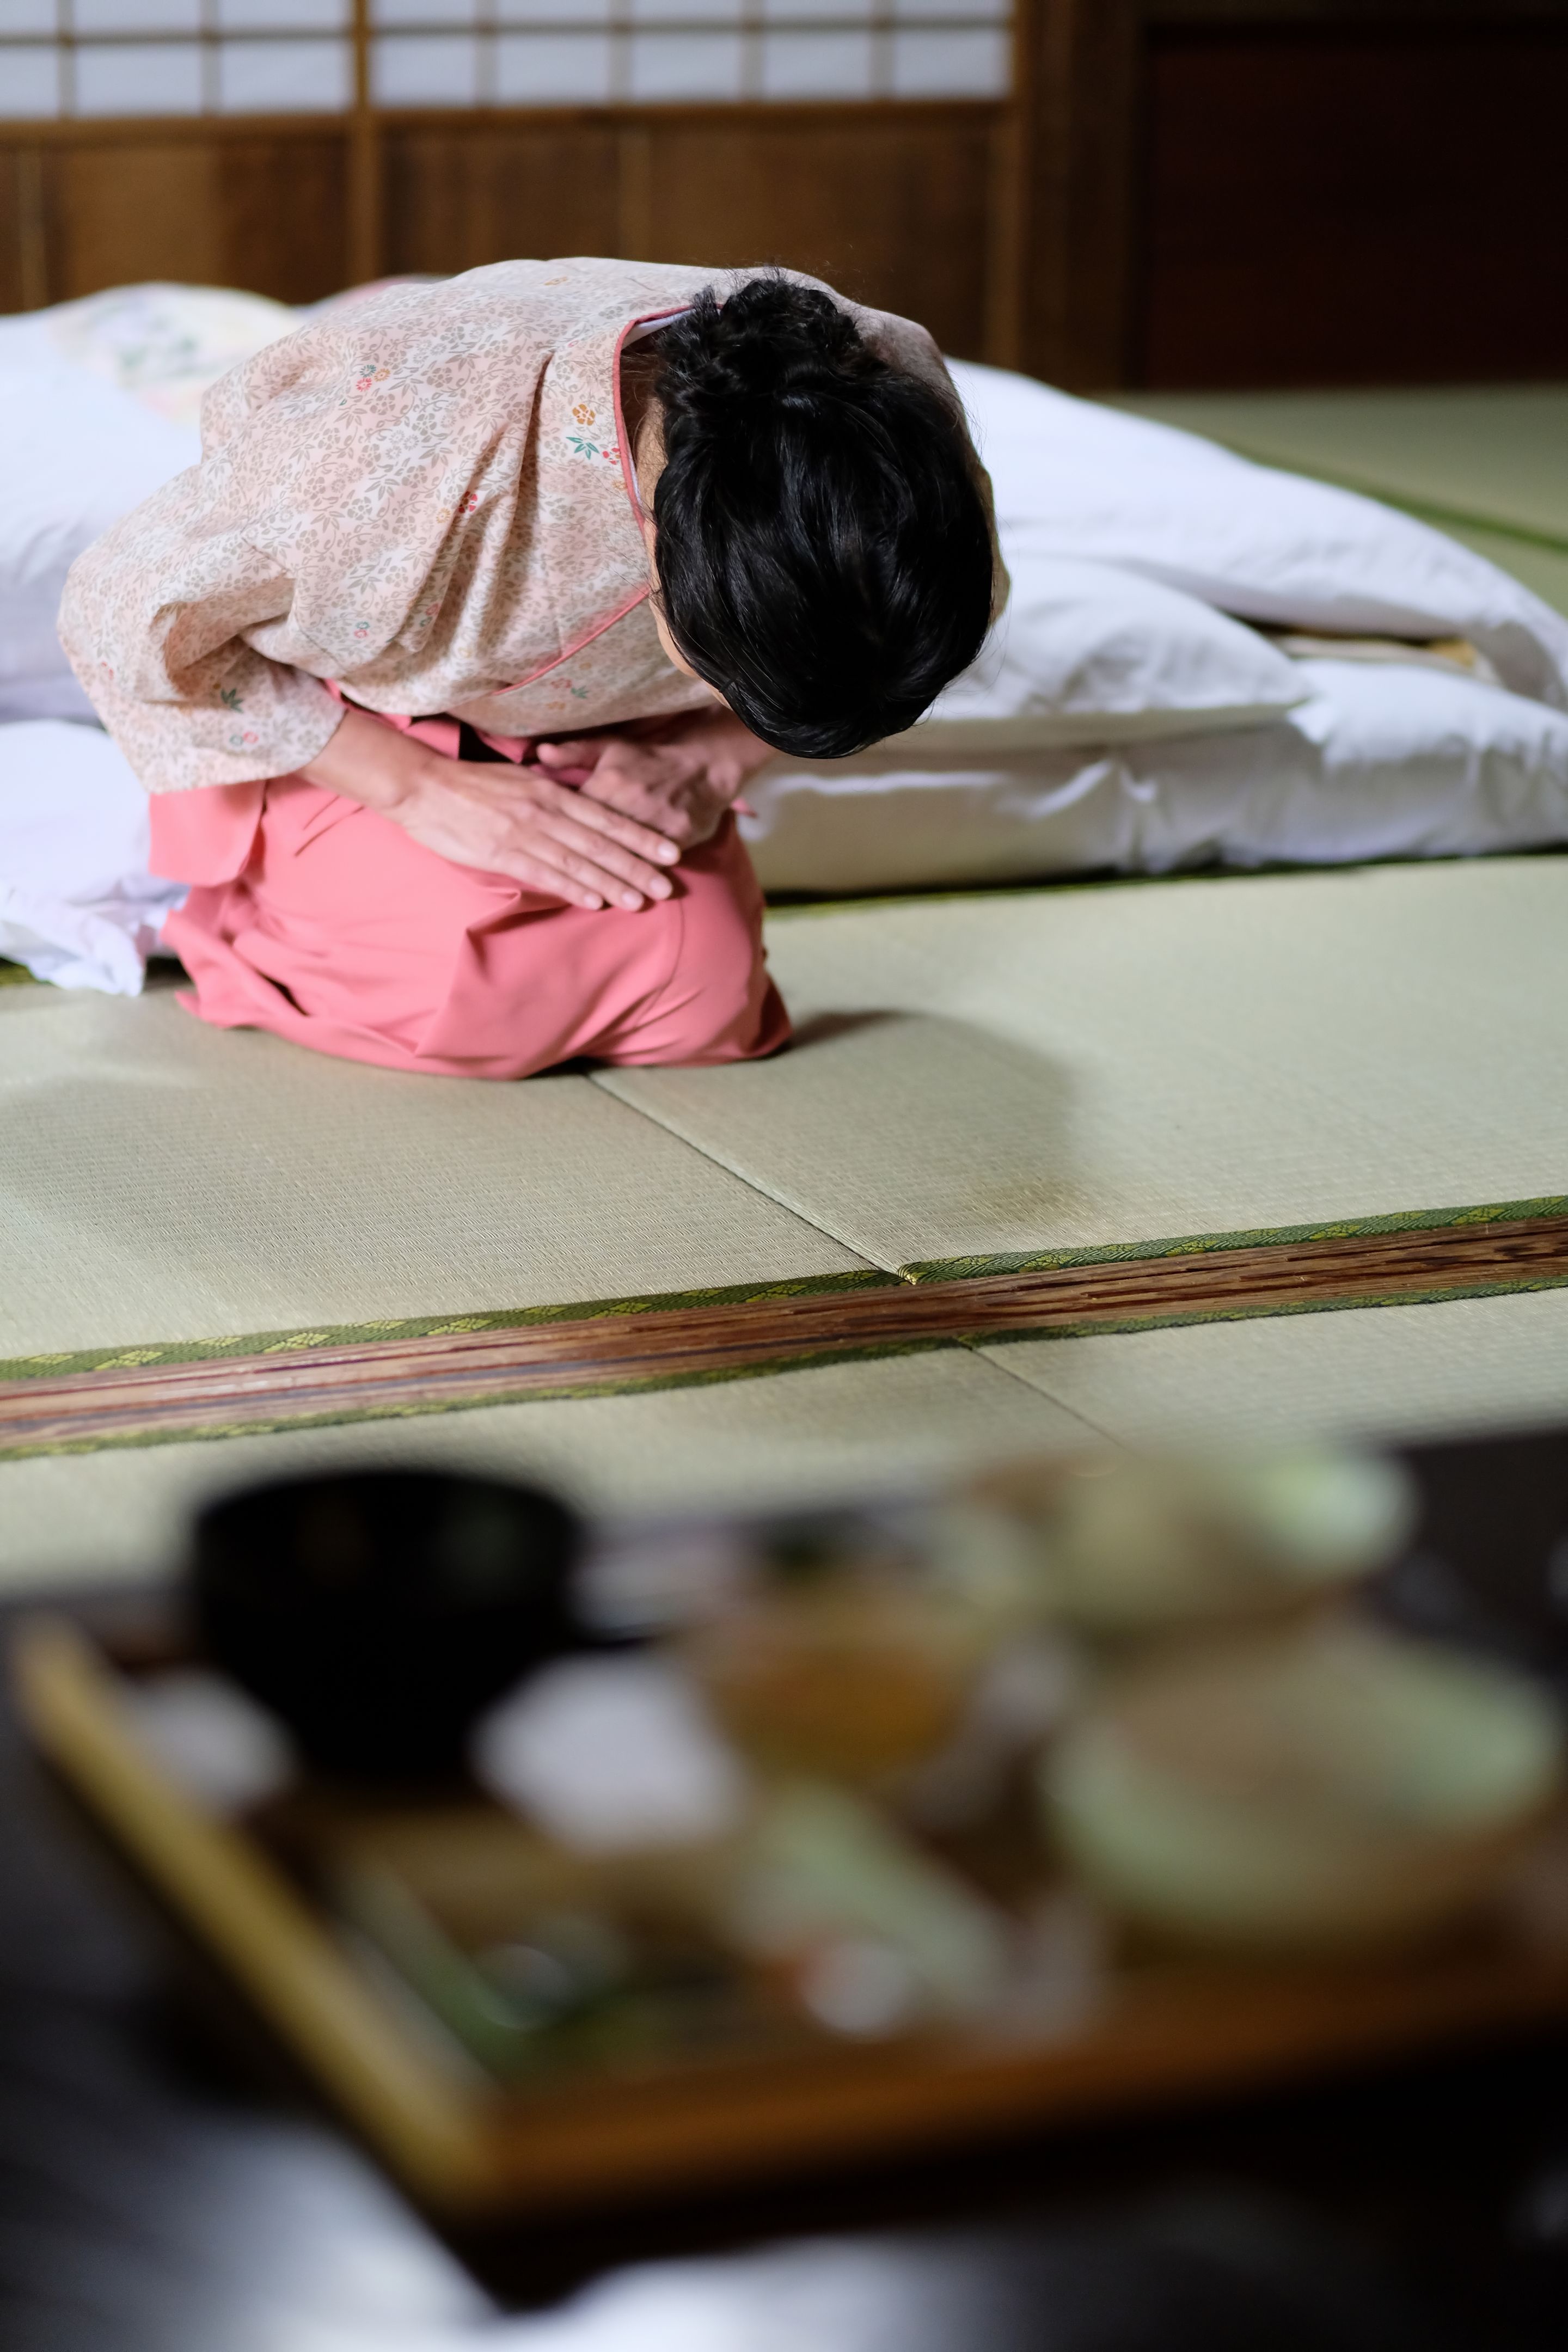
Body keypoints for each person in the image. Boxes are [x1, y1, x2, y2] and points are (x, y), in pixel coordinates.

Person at [60, 261, 1001, 1080]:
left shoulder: (880, 391)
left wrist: (712, 758)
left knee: (709, 995)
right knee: (459, 988)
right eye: (726, 680)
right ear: (654, 543)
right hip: (360, 720)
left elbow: (936, 613)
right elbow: (122, 613)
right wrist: (416, 788)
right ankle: (249, 925)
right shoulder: (386, 451)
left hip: (622, 729)